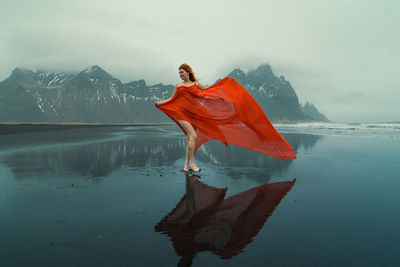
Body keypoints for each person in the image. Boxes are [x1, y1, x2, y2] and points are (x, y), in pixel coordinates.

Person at [155, 63, 296, 173]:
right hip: (182, 112)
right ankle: (192, 163)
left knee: (189, 138)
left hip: (196, 114)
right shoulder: (178, 85)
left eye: (182, 72)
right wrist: (160, 103)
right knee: (192, 135)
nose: (180, 74)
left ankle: (186, 163)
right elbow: (172, 98)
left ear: (188, 72)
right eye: (178, 72)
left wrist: (224, 98)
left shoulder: (196, 84)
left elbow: (210, 92)